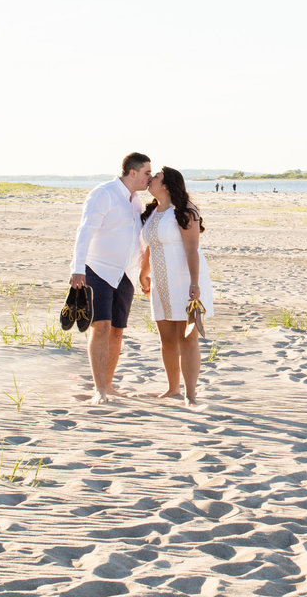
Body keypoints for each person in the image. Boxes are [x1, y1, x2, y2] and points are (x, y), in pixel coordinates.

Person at [70, 152, 153, 404]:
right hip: (98, 269)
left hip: (125, 274)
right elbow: (85, 230)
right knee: (101, 327)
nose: (149, 178)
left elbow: (136, 240)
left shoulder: (136, 201)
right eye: (147, 173)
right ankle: (99, 390)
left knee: (117, 331)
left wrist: (142, 271)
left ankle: (109, 384)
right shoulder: (103, 193)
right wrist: (77, 269)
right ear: (132, 172)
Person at [139, 166, 213, 410]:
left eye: (156, 177)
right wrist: (144, 272)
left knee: (187, 338)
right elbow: (151, 244)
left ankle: (190, 394)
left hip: (184, 281)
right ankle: (173, 388)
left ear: (168, 184)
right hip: (161, 282)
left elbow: (192, 249)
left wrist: (194, 283)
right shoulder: (152, 211)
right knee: (167, 339)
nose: (150, 179)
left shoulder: (184, 211)